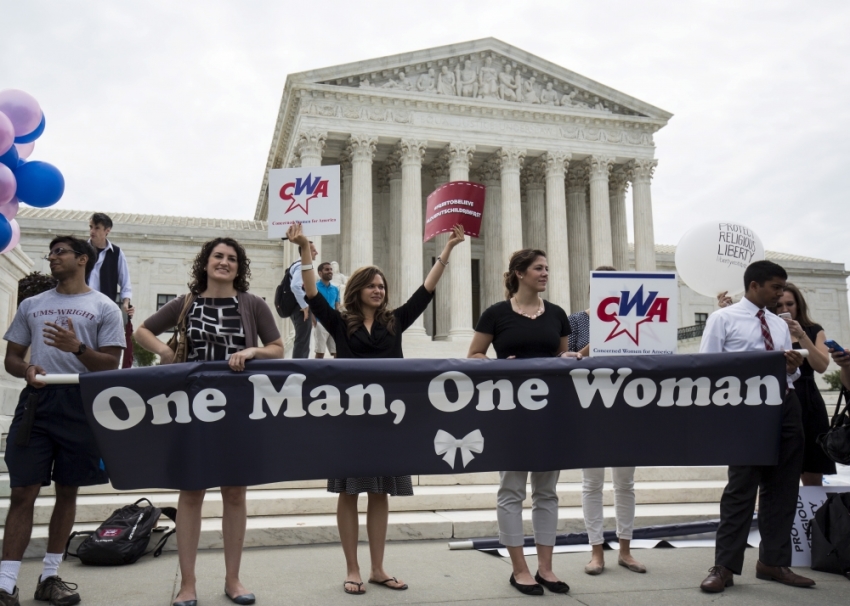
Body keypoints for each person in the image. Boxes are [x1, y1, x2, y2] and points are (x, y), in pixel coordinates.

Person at [287, 221, 464, 596]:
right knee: (349, 492)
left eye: (382, 286)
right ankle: (352, 568)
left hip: (388, 420)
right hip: (350, 419)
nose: (379, 290)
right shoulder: (339, 322)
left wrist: (447, 250)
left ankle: (378, 567)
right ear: (358, 290)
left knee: (380, 493)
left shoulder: (395, 322)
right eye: (372, 285)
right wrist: (304, 247)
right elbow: (310, 291)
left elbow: (426, 291)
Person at [135, 237, 282, 606]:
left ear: (239, 266)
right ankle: (188, 584)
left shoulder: (252, 304)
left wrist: (252, 351)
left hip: (238, 408)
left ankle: (233, 580)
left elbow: (278, 348)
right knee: (191, 491)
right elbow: (142, 330)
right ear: (206, 262)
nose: (224, 262)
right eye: (218, 256)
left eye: (232, 258)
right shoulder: (187, 303)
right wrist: (167, 351)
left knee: (235, 493)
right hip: (193, 408)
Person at [1, 236, 125, 606]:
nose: (52, 258)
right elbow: (11, 358)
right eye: (51, 253)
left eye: (60, 252)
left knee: (67, 490)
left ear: (82, 259)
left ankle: (50, 578)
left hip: (80, 402)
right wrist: (27, 368)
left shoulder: (104, 307)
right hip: (38, 401)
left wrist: (78, 348)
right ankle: (6, 585)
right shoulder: (32, 304)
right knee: (23, 491)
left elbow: (112, 364)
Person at [467, 248, 581, 597]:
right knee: (512, 490)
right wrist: (499, 367)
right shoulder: (496, 314)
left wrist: (568, 357)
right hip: (511, 412)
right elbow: (474, 355)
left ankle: (545, 567)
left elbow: (560, 356)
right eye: (538, 268)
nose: (545, 273)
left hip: (550, 413)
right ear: (519, 273)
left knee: (547, 491)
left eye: (547, 267)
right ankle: (519, 569)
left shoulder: (558, 314)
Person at [698, 260, 813, 593]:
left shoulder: (779, 325)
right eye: (776, 287)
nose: (781, 294)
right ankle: (725, 567)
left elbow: (789, 372)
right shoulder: (722, 319)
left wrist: (793, 365)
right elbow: (708, 367)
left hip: (786, 405)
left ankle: (773, 562)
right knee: (741, 487)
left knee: (784, 485)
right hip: (745, 409)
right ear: (754, 286)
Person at [565, 266, 646, 575]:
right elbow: (568, 361)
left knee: (625, 483)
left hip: (627, 406)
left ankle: (626, 550)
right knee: (592, 483)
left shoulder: (637, 321)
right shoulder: (576, 320)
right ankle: (596, 551)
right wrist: (601, 339)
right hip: (591, 407)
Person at [775, 283, 835, 485]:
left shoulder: (814, 330)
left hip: (808, 399)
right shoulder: (769, 331)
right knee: (779, 467)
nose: (784, 310)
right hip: (779, 397)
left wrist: (801, 336)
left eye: (790, 304)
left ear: (798, 305)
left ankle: (813, 513)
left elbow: (821, 365)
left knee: (813, 464)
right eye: (779, 305)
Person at [88, 212, 134, 367]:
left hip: (105, 308)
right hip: (82, 305)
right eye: (91, 227)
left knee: (104, 347)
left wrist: (126, 303)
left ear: (107, 230)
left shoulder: (117, 253)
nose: (92, 231)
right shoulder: (81, 250)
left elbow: (125, 282)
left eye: (97, 228)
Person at [289, 240, 317, 358]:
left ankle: (299, 365)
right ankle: (299, 368)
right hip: (300, 308)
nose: (317, 252)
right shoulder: (301, 266)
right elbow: (295, 286)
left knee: (303, 339)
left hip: (297, 307)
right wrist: (305, 305)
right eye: (313, 250)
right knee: (303, 340)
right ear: (306, 252)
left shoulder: (298, 265)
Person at [313, 262, 340, 359]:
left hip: (333, 323)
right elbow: (310, 305)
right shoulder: (314, 287)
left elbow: (337, 306)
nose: (330, 271)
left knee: (337, 352)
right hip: (320, 322)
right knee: (320, 353)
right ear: (320, 273)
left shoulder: (336, 289)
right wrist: (315, 322)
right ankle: (315, 374)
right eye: (327, 269)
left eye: (331, 269)